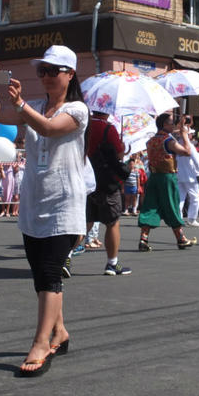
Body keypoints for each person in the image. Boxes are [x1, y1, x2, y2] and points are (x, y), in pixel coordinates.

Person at [0, 45, 88, 377]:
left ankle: (42, 342)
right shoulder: (37, 105)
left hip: (63, 203)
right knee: (40, 276)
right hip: (34, 200)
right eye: (41, 71)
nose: (44, 76)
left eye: (52, 71)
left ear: (69, 74)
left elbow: (48, 128)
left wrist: (20, 104)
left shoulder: (78, 110)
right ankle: (59, 332)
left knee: (49, 274)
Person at [137, 113, 198, 251]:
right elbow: (187, 152)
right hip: (167, 177)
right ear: (164, 124)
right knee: (172, 205)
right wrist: (184, 135)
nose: (173, 125)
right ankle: (181, 238)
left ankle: (143, 239)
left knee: (150, 206)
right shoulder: (168, 140)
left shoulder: (151, 140)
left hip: (153, 177)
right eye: (171, 123)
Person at [85, 110, 131, 276]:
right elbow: (117, 155)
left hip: (85, 178)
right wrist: (123, 150)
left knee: (85, 221)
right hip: (106, 182)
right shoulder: (107, 128)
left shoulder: (84, 124)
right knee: (112, 222)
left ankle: (65, 259)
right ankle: (112, 263)